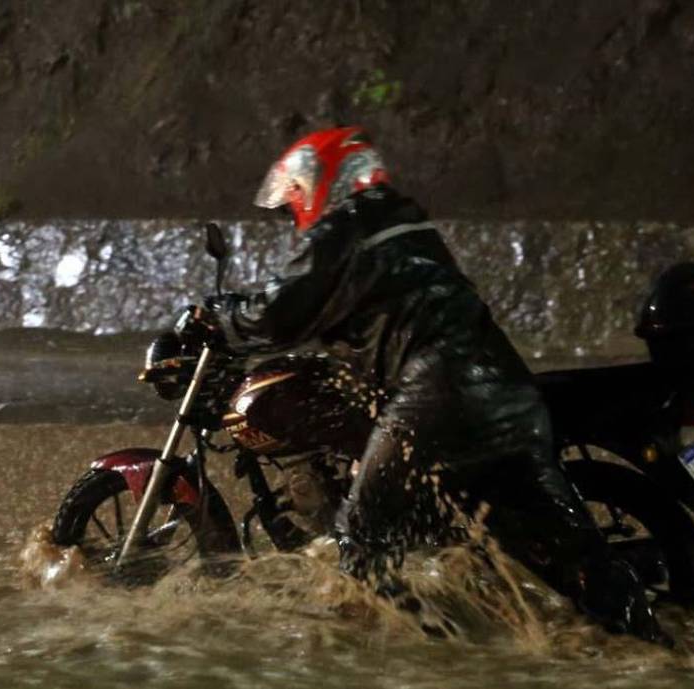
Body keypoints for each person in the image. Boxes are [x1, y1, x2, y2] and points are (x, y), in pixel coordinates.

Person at [208, 126, 667, 644]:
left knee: (360, 544)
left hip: (438, 400)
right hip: (510, 401)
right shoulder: (404, 222)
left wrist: (215, 316)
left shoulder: (344, 230)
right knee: (580, 561)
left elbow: (279, 311)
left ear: (320, 180)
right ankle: (663, 656)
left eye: (295, 198)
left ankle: (443, 654)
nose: (295, 212)